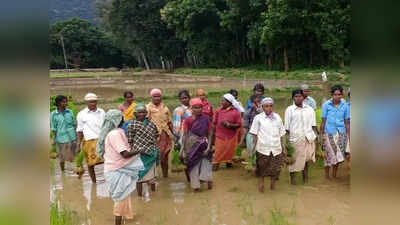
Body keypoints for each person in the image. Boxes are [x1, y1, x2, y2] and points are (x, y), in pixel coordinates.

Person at [96, 109, 144, 225]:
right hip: (116, 170)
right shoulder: (115, 134)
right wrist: (140, 150)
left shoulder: (114, 132)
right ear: (116, 120)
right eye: (121, 118)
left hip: (116, 168)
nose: (123, 120)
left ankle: (127, 217)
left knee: (125, 194)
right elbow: (125, 154)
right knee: (121, 197)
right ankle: (117, 222)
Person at [249, 97, 286, 192]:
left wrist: (283, 147)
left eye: (270, 106)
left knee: (275, 169)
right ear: (262, 107)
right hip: (262, 148)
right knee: (262, 169)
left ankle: (272, 187)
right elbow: (255, 135)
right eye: (266, 106)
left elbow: (281, 134)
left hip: (276, 148)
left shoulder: (277, 117)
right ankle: (261, 186)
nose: (268, 108)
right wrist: (253, 149)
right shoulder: (258, 118)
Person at [284, 89, 319, 185]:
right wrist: (287, 142)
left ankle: (305, 179)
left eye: (300, 96)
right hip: (295, 139)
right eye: (296, 96)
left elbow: (314, 126)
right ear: (293, 98)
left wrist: (318, 138)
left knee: (307, 160)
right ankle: (293, 180)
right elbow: (286, 129)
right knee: (293, 161)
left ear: (303, 97)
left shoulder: (310, 109)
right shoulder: (289, 110)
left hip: (308, 138)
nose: (298, 98)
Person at [126, 104, 160, 198]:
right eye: (140, 112)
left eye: (144, 112)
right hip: (139, 154)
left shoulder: (151, 123)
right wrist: (137, 149)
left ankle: (154, 194)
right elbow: (130, 140)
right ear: (135, 114)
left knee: (152, 176)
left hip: (151, 152)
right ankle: (139, 196)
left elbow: (156, 135)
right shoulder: (132, 124)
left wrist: (152, 147)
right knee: (139, 176)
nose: (142, 114)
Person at [181, 98, 213, 191]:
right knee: (193, 164)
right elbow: (185, 135)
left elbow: (210, 133)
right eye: (195, 107)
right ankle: (195, 186)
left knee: (206, 162)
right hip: (191, 145)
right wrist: (182, 149)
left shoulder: (206, 119)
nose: (198, 109)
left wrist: (208, 147)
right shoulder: (188, 120)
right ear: (191, 108)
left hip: (203, 143)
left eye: (200, 107)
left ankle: (209, 182)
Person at [320, 85, 350, 179]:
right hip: (329, 133)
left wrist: (349, 136)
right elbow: (323, 121)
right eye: (335, 94)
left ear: (342, 95)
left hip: (342, 133)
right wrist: (320, 136)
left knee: (339, 156)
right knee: (329, 155)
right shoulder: (326, 105)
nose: (337, 96)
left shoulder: (345, 106)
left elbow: (346, 122)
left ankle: (334, 175)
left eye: (339, 94)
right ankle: (327, 176)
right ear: (332, 95)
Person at [76, 93, 105, 183]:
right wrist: (78, 144)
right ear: (87, 102)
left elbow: (106, 126)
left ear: (97, 102)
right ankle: (94, 182)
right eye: (90, 102)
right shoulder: (81, 114)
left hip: (101, 140)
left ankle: (109, 181)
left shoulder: (102, 112)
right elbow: (79, 130)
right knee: (90, 163)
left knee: (107, 161)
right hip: (89, 141)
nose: (93, 104)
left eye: (94, 102)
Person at [209, 93, 242, 171]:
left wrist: (229, 125)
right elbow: (214, 123)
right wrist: (212, 134)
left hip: (231, 137)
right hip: (220, 136)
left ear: (229, 102)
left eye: (223, 100)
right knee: (218, 154)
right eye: (221, 100)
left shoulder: (235, 112)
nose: (221, 102)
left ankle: (229, 164)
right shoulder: (218, 110)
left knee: (230, 153)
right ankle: (215, 167)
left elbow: (239, 124)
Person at [146, 89, 174, 178]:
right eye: (155, 96)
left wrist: (174, 135)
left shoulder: (165, 108)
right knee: (154, 157)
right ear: (151, 97)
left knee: (165, 156)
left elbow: (170, 122)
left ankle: (165, 176)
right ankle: (152, 177)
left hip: (166, 135)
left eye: (159, 96)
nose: (157, 98)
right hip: (154, 136)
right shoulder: (148, 108)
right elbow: (145, 122)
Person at [50, 95, 77, 171]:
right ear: (58, 103)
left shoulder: (70, 112)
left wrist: (77, 138)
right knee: (61, 158)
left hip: (72, 138)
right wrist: (54, 141)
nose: (66, 103)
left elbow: (74, 124)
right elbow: (53, 128)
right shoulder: (53, 114)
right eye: (63, 102)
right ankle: (63, 171)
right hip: (60, 138)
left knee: (73, 156)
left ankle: (76, 171)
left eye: (66, 101)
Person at [242, 94, 263, 169]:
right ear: (251, 103)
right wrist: (242, 139)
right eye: (255, 102)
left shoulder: (265, 111)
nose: (257, 104)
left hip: (263, 134)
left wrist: (258, 110)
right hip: (251, 134)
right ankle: (254, 165)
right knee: (252, 151)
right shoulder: (248, 112)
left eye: (259, 102)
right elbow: (245, 127)